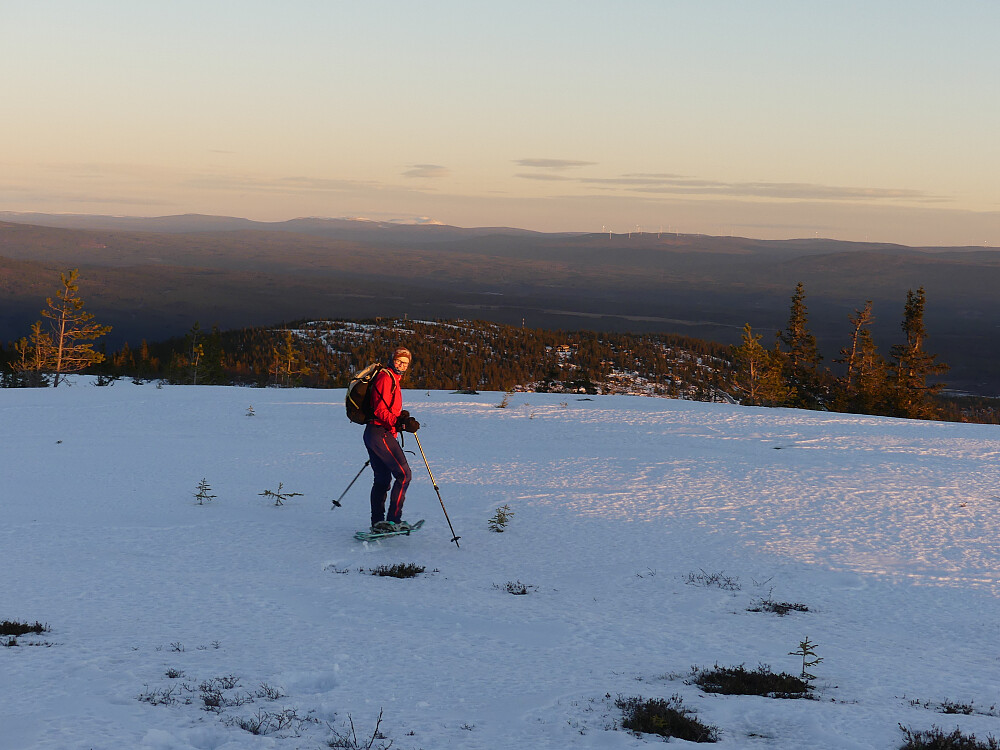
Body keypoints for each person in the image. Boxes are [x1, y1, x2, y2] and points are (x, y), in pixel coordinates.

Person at [363, 347, 420, 532]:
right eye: (398, 361)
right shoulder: (386, 377)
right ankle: (394, 520)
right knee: (404, 475)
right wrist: (400, 423)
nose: (401, 365)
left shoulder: (393, 379)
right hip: (380, 433)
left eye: (405, 363)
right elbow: (380, 410)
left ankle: (379, 523)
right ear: (391, 360)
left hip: (375, 433)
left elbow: (385, 408)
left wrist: (399, 416)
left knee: (382, 479)